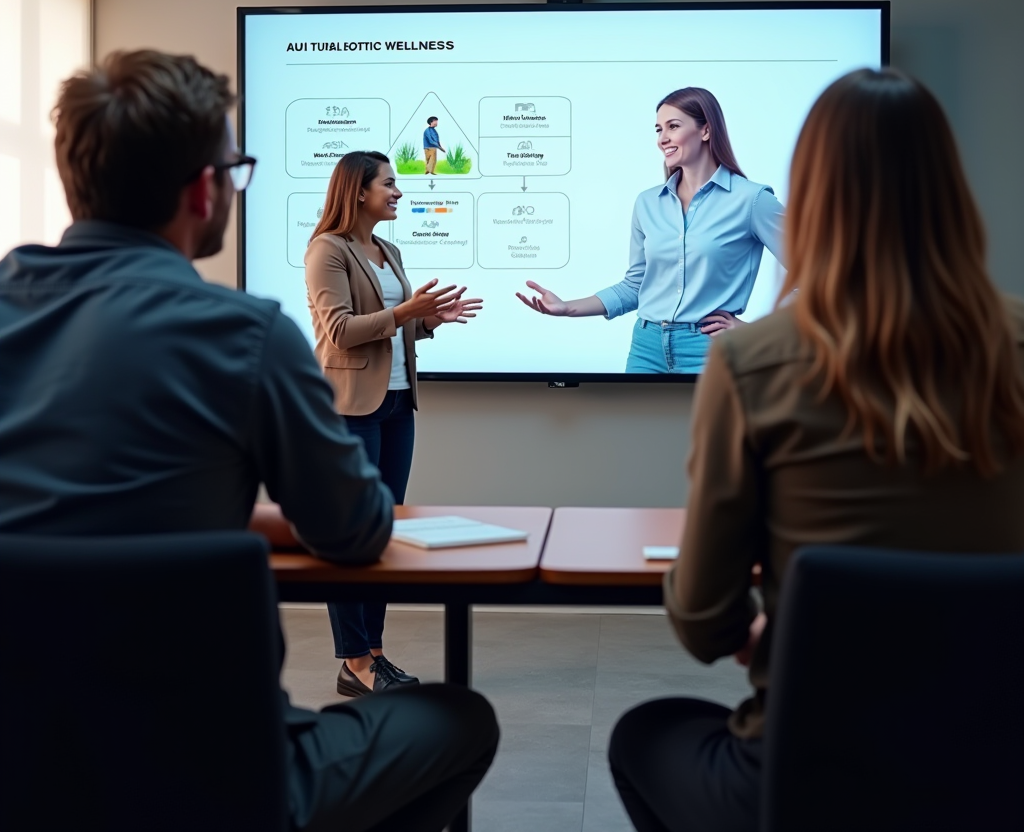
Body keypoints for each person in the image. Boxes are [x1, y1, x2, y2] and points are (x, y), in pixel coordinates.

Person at [0, 50, 498, 832]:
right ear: (205, 190)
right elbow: (357, 528)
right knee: (458, 722)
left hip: (17, 762)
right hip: (215, 772)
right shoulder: (245, 336)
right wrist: (253, 516)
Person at [607, 68, 1024, 832]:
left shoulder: (752, 362)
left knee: (646, 735)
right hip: (1003, 761)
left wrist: (774, 630)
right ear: (949, 183)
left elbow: (703, 620)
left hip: (812, 769)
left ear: (816, 193)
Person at [305, 151, 482, 696]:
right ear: (358, 191)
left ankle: (374, 654)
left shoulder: (389, 249)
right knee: (349, 535)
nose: (399, 191)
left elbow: (389, 331)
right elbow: (340, 332)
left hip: (397, 405)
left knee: (380, 534)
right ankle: (354, 661)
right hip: (349, 409)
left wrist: (428, 322)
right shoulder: (326, 251)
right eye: (389, 183)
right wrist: (405, 313)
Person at [516, 88, 784, 374]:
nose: (662, 139)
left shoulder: (752, 200)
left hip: (708, 351)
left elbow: (817, 271)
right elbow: (635, 286)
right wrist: (566, 308)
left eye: (673, 126)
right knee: (635, 421)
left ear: (705, 130)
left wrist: (758, 331)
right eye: (659, 129)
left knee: (707, 422)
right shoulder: (647, 203)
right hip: (646, 348)